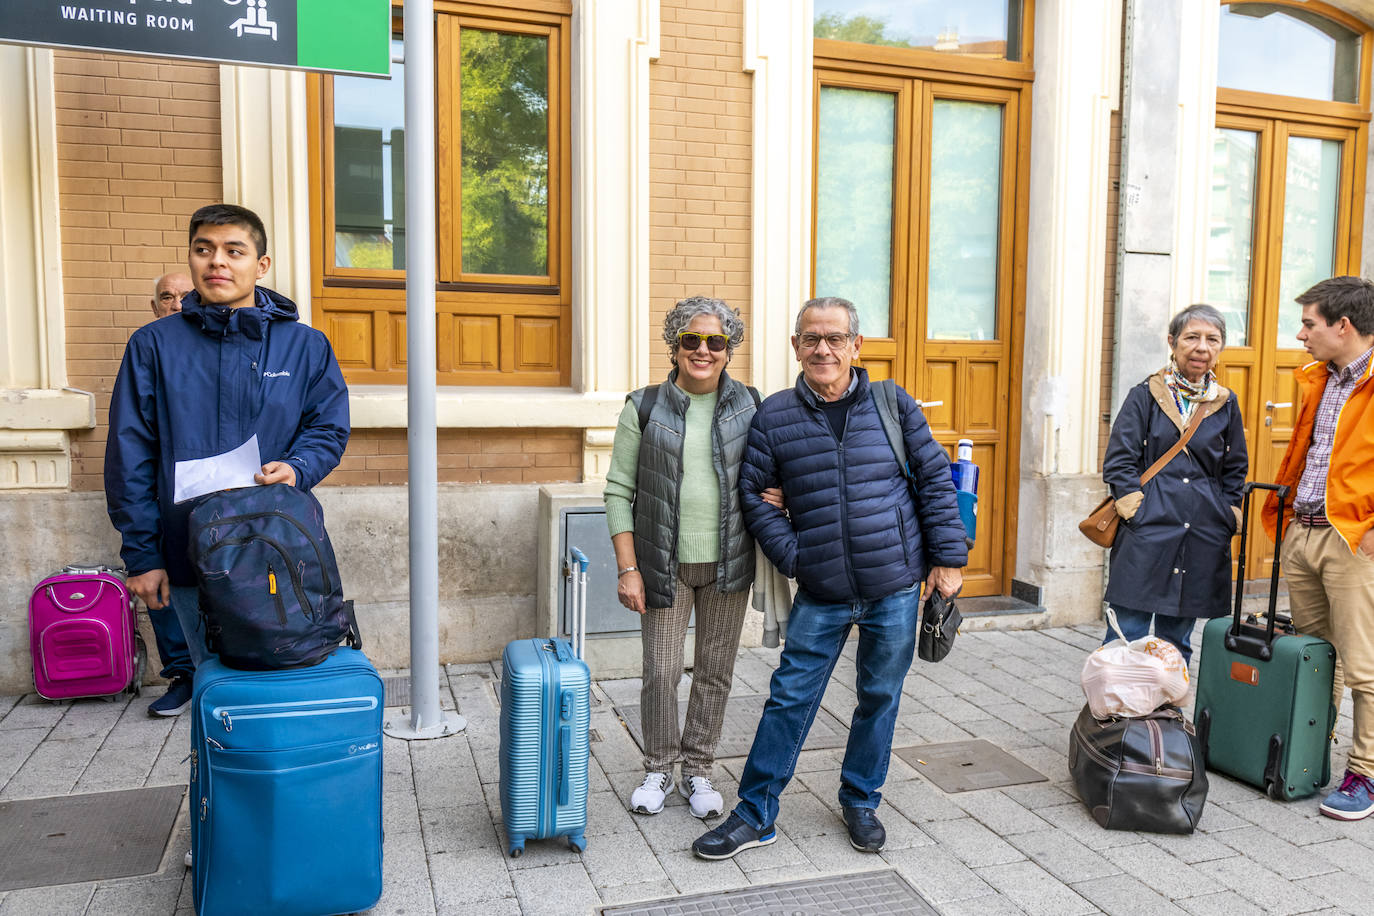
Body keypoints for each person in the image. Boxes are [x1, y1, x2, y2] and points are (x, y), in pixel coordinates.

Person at [692, 296, 967, 859]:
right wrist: (798, 557)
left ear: (856, 346)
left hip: (893, 584)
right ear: (795, 347)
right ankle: (755, 813)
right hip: (821, 590)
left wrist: (949, 561)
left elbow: (936, 483)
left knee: (880, 696)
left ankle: (861, 799)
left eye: (835, 338)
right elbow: (754, 496)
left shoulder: (894, 405)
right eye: (811, 338)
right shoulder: (775, 415)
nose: (823, 349)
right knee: (789, 698)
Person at [105, 204, 350, 694]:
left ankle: (279, 766)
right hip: (187, 553)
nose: (217, 261)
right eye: (204, 249)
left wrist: (298, 468)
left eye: (233, 251)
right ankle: (222, 766)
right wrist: (143, 557)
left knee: (284, 688)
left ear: (260, 265)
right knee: (214, 690)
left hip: (279, 551)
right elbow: (130, 455)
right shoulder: (153, 346)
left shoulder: (305, 347)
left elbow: (328, 427)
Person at [603, 296, 765, 820]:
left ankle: (698, 769)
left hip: (728, 565)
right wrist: (628, 568)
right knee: (661, 670)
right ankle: (658, 766)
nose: (703, 350)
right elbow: (618, 490)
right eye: (691, 339)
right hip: (662, 565)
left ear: (728, 350)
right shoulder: (644, 406)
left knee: (716, 672)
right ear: (675, 345)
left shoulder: (750, 405)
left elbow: (767, 474)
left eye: (715, 342)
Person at [1261, 275, 1374, 821]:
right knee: (1315, 656)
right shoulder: (1319, 379)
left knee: (1363, 665)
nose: (1301, 334)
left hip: (1354, 540)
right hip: (1303, 531)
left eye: (1309, 323)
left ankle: (1367, 774)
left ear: (1342, 325)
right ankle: (1310, 755)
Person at [1099, 303, 1248, 665]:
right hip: (1147, 529)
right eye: (1192, 337)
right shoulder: (1145, 395)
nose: (1202, 347)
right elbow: (1120, 460)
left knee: (1176, 641)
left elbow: (1235, 468)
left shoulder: (1225, 403)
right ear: (1172, 341)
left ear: (1221, 347)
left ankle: (1167, 717)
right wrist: (1135, 508)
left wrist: (1227, 513)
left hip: (1201, 532)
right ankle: (1115, 717)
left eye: (1212, 339)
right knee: (1126, 635)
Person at [140, 272, 197, 716]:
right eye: (167, 297)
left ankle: (220, 675)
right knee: (161, 583)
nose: (176, 303)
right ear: (156, 306)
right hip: (163, 493)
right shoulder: (147, 348)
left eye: (185, 296)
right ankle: (182, 674)